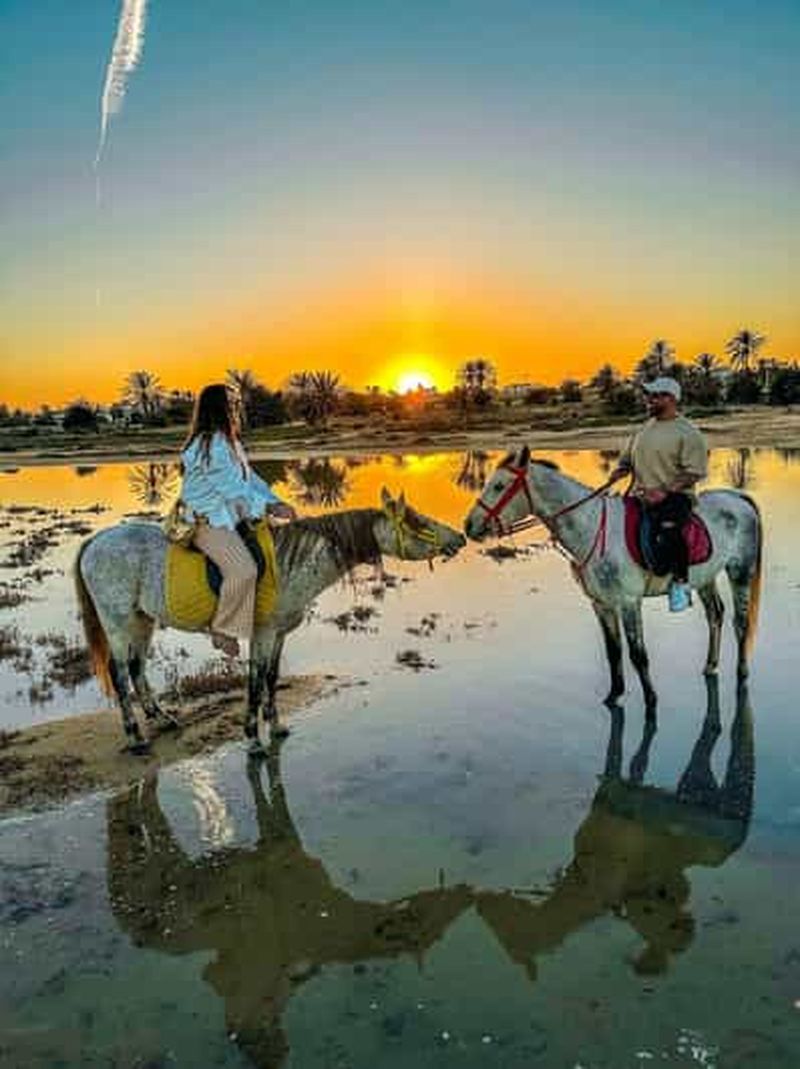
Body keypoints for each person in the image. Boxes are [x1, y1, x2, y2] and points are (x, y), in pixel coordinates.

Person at [180, 384, 296, 657]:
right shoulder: (210, 446)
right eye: (231, 403)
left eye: (236, 402)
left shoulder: (229, 442)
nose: (236, 407)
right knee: (243, 570)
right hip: (207, 522)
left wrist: (274, 500)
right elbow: (232, 490)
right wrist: (269, 507)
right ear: (219, 408)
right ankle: (222, 629)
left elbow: (249, 480)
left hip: (230, 516)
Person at [611, 376, 708, 612]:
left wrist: (663, 491)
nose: (649, 400)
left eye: (655, 396)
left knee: (669, 529)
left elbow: (694, 472)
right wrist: (620, 470)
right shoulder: (643, 429)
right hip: (640, 495)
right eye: (648, 396)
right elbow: (628, 460)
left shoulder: (688, 432)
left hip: (675, 498)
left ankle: (681, 583)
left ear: (671, 399)